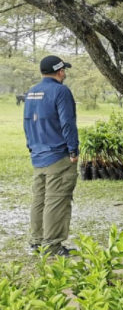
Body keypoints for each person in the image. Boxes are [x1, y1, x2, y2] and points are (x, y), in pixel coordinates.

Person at [23, 55, 79, 255]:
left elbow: (27, 121)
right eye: (64, 70)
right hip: (58, 155)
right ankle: (53, 246)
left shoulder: (31, 92)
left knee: (40, 199)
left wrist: (31, 147)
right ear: (60, 71)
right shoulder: (61, 91)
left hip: (38, 154)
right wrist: (73, 150)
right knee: (57, 200)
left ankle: (37, 242)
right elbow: (67, 123)